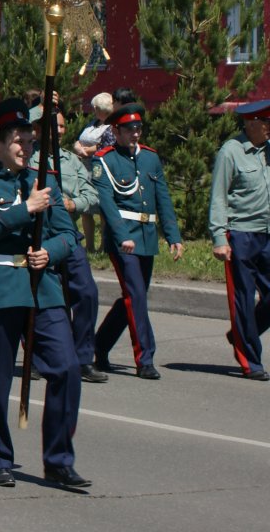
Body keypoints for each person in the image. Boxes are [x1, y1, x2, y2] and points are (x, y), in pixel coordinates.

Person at [0, 99, 88, 490]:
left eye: (29, 141)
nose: (25, 147)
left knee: (66, 368)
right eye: (18, 140)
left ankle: (58, 460)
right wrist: (26, 209)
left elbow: (70, 235)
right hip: (2, 289)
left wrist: (53, 252)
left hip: (44, 288)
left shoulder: (44, 180)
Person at [90, 104, 182, 380]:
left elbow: (163, 198)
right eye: (129, 129)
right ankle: (145, 358)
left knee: (132, 297)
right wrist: (122, 236)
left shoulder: (150, 158)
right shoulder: (104, 160)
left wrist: (173, 236)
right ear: (116, 131)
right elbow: (106, 203)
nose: (135, 133)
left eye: (138, 128)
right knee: (137, 296)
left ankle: (99, 345)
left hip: (147, 236)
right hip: (123, 238)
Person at [33, 103, 107, 383]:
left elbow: (92, 194)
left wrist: (73, 203)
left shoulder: (72, 160)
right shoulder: (30, 158)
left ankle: (83, 357)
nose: (60, 130)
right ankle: (40, 357)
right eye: (54, 125)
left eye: (63, 125)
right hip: (40, 237)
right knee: (44, 300)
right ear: (38, 129)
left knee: (86, 293)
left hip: (68, 236)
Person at [212, 100, 270, 381]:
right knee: (244, 299)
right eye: (266, 123)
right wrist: (219, 237)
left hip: (267, 233)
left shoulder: (269, 149)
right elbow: (219, 197)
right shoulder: (231, 152)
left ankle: (240, 334)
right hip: (241, 234)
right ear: (251, 123)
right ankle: (251, 362)